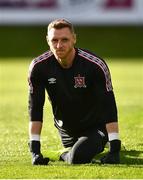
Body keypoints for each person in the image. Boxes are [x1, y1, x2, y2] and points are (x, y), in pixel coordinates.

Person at [28, 19, 121, 165]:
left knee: (77, 157)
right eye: (54, 40)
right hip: (66, 130)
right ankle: (70, 149)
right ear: (47, 41)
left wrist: (115, 148)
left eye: (64, 40)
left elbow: (108, 105)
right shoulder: (39, 67)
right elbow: (35, 108)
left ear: (74, 39)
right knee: (78, 150)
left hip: (95, 126)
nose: (59, 45)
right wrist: (35, 150)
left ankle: (70, 152)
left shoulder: (94, 65)